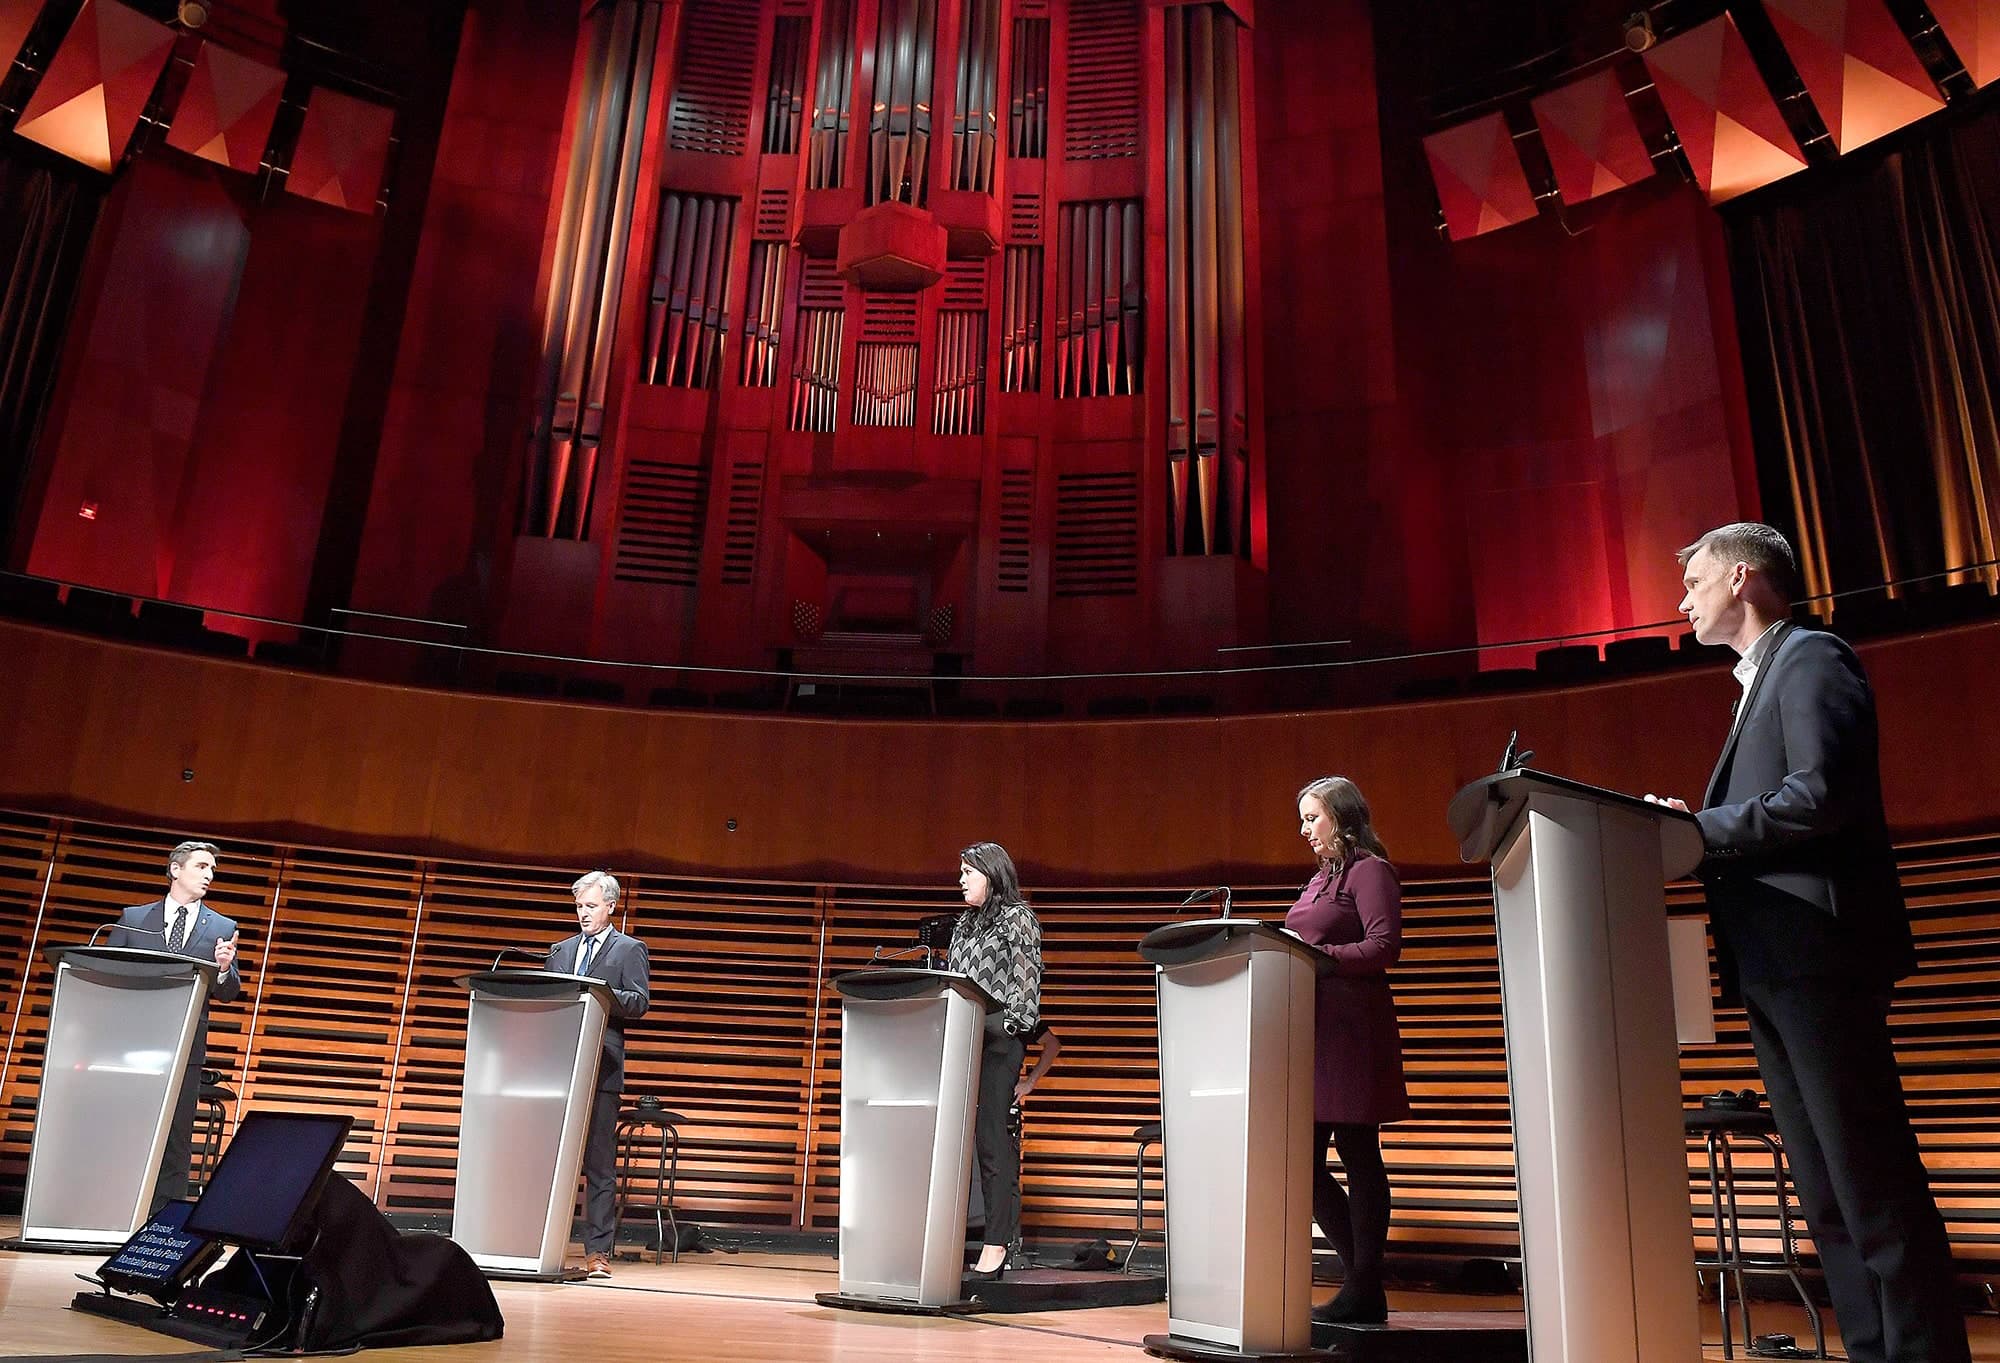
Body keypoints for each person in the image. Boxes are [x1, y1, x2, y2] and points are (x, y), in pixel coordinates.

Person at [1648, 522, 1968, 1363]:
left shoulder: (1813, 658)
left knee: (1870, 1181)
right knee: (1824, 1189)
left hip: (1819, 953)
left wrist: (1695, 828)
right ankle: (1872, 1349)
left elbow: (1818, 794)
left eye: (1693, 583)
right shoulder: (1759, 681)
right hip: (1773, 963)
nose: (1682, 601)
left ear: (1742, 578)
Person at [1285, 777, 1408, 1325]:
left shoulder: (1370, 871)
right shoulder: (1316, 882)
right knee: (1304, 1164)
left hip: (1354, 1031)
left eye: (1313, 818)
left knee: (1359, 1152)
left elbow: (1384, 946)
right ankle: (1364, 1280)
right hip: (1312, 1032)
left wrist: (1317, 955)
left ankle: (1363, 1284)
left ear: (1342, 817)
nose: (1304, 830)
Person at [105, 840, 243, 1211]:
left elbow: (229, 992)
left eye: (212, 870)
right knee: (126, 1130)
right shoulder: (134, 919)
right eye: (201, 867)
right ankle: (116, 1209)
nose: (209, 875)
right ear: (176, 870)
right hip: (133, 1047)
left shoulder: (223, 926)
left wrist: (225, 968)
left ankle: (162, 1222)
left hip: (185, 1048)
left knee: (177, 1138)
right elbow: (106, 974)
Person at [948, 842, 1042, 1281]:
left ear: (992, 873)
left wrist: (1003, 1027)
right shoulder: (964, 924)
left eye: (969, 871)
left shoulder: (1017, 918)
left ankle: (996, 1241)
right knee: (953, 1140)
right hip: (961, 1039)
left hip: (998, 1043)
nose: (961, 879)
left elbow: (1025, 991)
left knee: (991, 1141)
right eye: (961, 871)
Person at [549, 870, 651, 1279]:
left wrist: (601, 994)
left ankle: (597, 1253)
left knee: (599, 1165)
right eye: (579, 906)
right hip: (559, 1066)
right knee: (553, 1161)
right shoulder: (560, 950)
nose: (583, 914)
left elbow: (639, 1002)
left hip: (602, 1068)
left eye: (591, 906)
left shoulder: (630, 950)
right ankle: (542, 1245)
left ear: (611, 906)